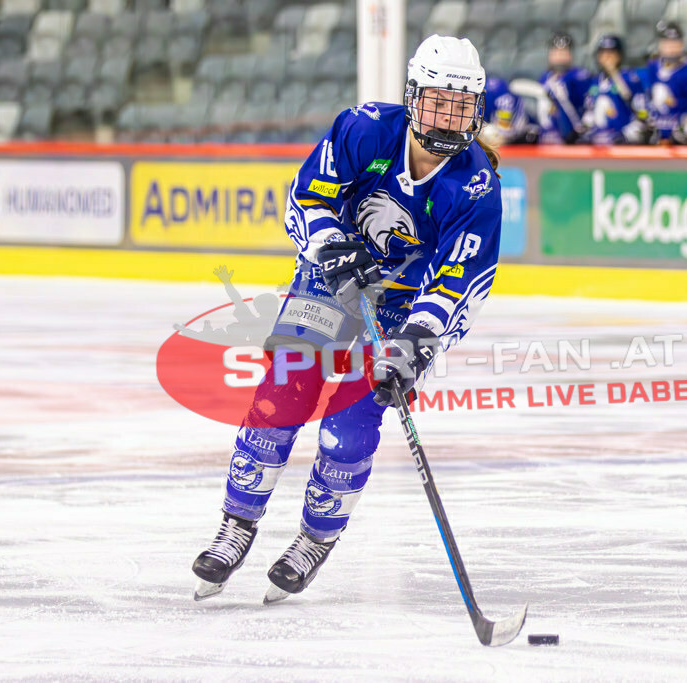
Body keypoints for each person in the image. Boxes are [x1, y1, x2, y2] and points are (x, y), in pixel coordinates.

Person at [191, 34, 503, 603]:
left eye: (460, 106)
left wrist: (417, 341)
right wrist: (332, 245)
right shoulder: (364, 129)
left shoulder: (476, 185)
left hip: (402, 309)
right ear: (412, 98)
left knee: (350, 427)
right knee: (282, 396)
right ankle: (236, 525)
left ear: (475, 110)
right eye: (436, 101)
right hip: (328, 281)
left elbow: (463, 278)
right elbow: (306, 198)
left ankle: (314, 538)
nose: (447, 117)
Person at [643, 21, 687, 144]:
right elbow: (648, 98)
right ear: (659, 45)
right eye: (667, 43)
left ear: (682, 44)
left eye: (675, 43)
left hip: (684, 136)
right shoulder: (653, 67)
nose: (671, 48)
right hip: (658, 131)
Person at [584, 33, 649, 144]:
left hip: (623, 147)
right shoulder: (594, 81)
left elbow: (643, 114)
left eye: (611, 53)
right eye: (603, 53)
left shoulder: (630, 79)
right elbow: (589, 113)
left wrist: (627, 135)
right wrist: (586, 132)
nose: (607, 57)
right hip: (597, 146)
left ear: (619, 55)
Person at [536, 31, 595, 144]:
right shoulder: (544, 78)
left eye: (564, 51)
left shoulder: (580, 76)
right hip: (548, 138)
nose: (560, 55)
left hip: (574, 137)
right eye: (556, 51)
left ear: (571, 54)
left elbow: (589, 106)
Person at [481, 75, 536, 144]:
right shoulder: (486, 91)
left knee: (490, 133)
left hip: (524, 133)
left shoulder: (504, 98)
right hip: (509, 129)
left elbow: (503, 130)